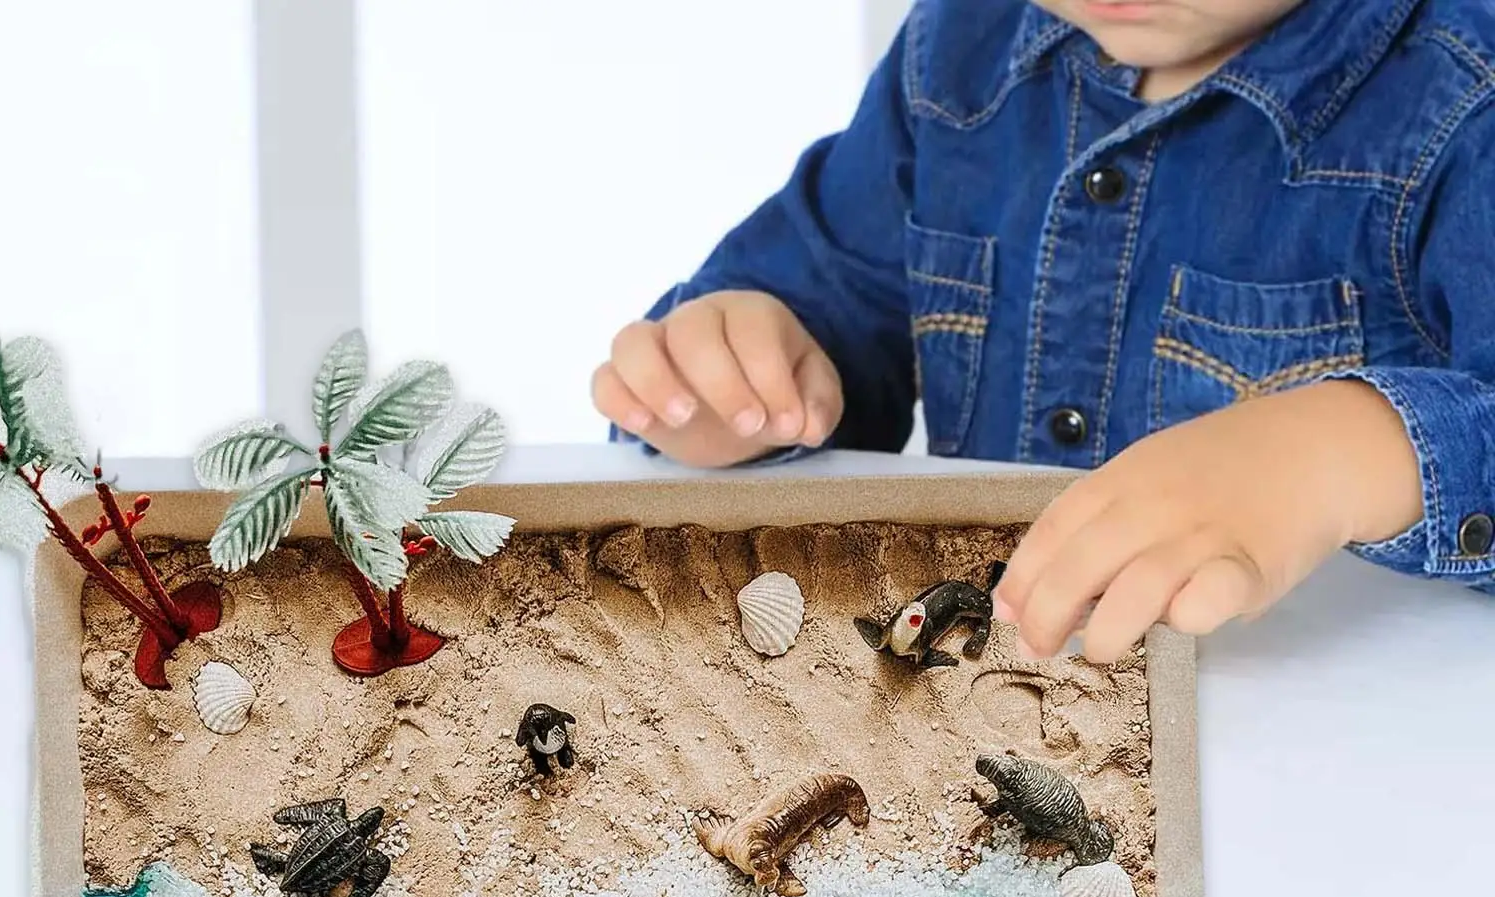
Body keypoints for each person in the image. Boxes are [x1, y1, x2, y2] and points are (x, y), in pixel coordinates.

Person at [591, 0, 1495, 663]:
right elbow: (826, 300)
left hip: (1345, 764)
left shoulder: (1465, 96)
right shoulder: (957, 49)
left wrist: (1346, 452)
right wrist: (737, 382)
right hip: (996, 692)